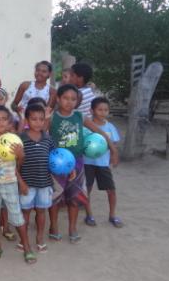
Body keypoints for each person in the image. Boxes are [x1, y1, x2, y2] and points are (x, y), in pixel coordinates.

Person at [47, 84, 118, 244]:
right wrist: (45, 117)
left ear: (77, 101)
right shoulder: (52, 117)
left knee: (75, 197)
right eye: (65, 98)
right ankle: (54, 226)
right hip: (57, 163)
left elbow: (98, 131)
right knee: (55, 197)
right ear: (58, 99)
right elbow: (42, 132)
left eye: (73, 99)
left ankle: (72, 228)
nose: (69, 102)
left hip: (77, 163)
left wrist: (113, 148)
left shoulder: (80, 116)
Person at [0, 105, 36, 264]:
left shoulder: (14, 139)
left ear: (9, 122)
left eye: (4, 119)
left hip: (9, 182)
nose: (0, 122)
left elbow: (20, 162)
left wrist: (20, 155)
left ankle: (27, 247)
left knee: (17, 216)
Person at [19, 103, 55, 253]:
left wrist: (69, 170)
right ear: (26, 120)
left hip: (44, 183)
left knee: (41, 211)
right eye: (34, 119)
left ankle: (40, 238)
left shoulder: (48, 139)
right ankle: (24, 239)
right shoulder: (20, 139)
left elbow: (56, 159)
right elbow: (16, 164)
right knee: (25, 212)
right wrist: (21, 183)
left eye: (41, 119)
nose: (38, 122)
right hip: (27, 184)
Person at [83, 97, 123, 228]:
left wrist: (113, 155)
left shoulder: (110, 127)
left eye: (106, 110)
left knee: (111, 190)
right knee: (87, 190)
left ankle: (112, 215)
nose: (103, 112)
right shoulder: (86, 127)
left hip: (103, 164)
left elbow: (114, 144)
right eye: (100, 109)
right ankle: (89, 215)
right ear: (92, 110)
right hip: (87, 163)